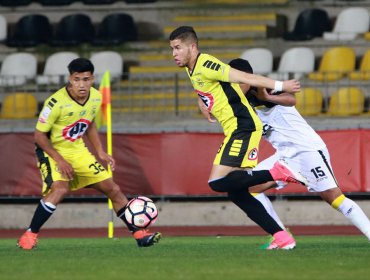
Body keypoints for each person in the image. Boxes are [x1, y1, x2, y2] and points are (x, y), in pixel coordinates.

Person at [169, 25, 307, 249]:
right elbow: (206, 88)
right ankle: (282, 237)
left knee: (217, 182)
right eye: (172, 49)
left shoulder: (206, 63)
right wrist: (204, 103)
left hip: (243, 127)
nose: (174, 54)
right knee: (236, 192)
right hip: (236, 128)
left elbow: (244, 77)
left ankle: (278, 172)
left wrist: (281, 85)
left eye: (177, 48)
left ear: (192, 47)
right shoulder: (191, 68)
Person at [17, 58, 161, 250]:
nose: (81, 85)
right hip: (52, 151)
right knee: (60, 190)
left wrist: (100, 151)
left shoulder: (95, 97)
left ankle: (139, 234)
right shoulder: (55, 103)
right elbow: (39, 136)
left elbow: (89, 123)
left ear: (92, 79)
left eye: (85, 79)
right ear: (70, 79)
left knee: (113, 189)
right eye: (77, 79)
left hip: (78, 150)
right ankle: (29, 235)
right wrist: (60, 160)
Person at [228, 57, 370, 244]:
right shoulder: (235, 99)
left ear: (248, 78)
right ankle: (281, 237)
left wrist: (268, 98)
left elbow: (291, 99)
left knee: (334, 198)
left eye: (237, 81)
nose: (233, 85)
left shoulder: (262, 88)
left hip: (306, 149)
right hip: (284, 155)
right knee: (248, 188)